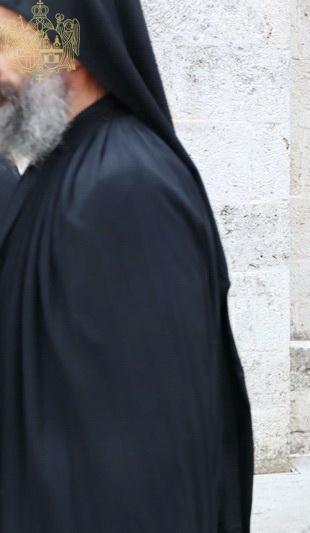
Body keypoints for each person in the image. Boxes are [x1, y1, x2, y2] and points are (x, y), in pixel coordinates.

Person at [0, 1, 253, 531]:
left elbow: (148, 459)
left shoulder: (126, 184)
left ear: (69, 46)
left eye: (4, 44)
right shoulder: (58, 168)